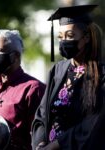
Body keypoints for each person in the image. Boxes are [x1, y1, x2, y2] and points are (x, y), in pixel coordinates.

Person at [31, 4, 105, 150]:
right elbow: (42, 114)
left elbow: (94, 122)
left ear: (86, 38)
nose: (64, 41)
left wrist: (56, 145)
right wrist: (40, 143)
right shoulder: (57, 70)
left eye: (70, 36)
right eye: (60, 36)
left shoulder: (101, 74)